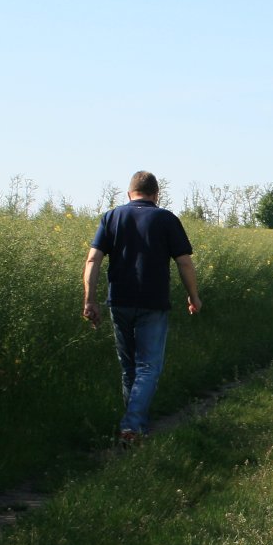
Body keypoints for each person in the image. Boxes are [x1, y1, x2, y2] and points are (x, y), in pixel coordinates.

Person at [82, 171, 201, 443]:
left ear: (129, 193)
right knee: (148, 367)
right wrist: (193, 296)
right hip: (153, 302)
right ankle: (132, 426)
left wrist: (89, 300)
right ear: (156, 195)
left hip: (119, 301)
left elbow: (93, 261)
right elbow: (184, 262)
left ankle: (135, 428)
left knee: (130, 369)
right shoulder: (166, 218)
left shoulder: (111, 217)